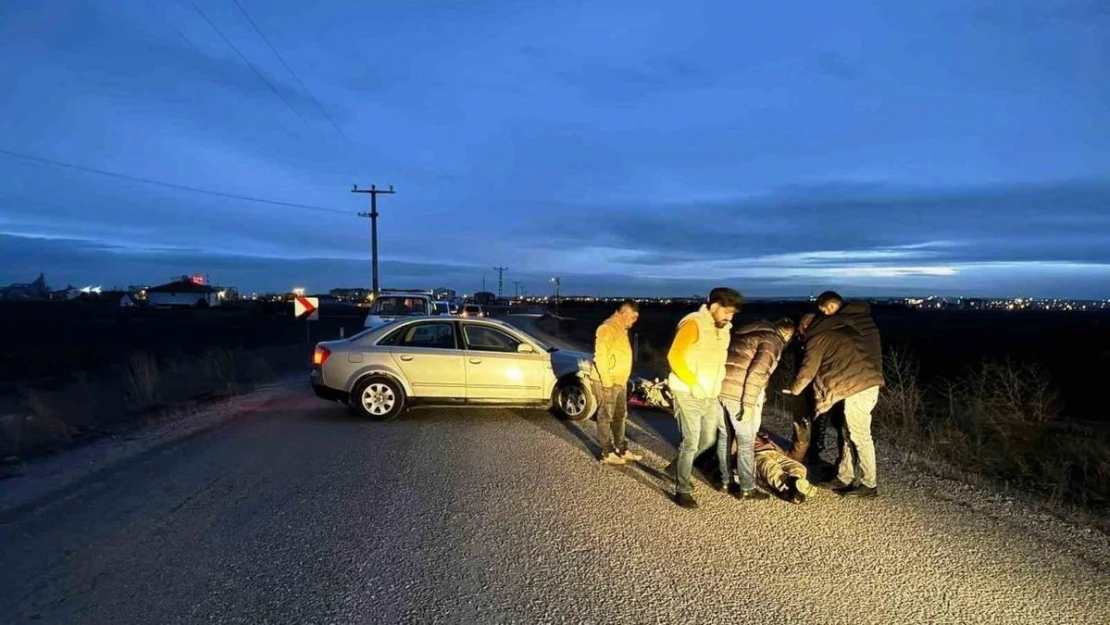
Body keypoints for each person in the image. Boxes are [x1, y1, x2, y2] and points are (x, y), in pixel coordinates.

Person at [785, 292, 885, 498]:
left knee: (860, 436)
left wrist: (794, 390)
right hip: (864, 384)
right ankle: (844, 475)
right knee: (848, 433)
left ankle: (869, 483)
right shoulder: (845, 328)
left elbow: (807, 371)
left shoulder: (818, 338)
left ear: (805, 329)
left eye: (801, 333)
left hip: (858, 388)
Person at [665, 287, 743, 509]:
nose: (730, 317)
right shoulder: (693, 323)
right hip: (687, 391)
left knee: (707, 440)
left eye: (733, 313)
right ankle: (682, 489)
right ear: (715, 306)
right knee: (690, 442)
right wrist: (693, 383)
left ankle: (677, 467)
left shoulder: (724, 329)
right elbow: (674, 356)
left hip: (710, 394)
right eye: (727, 311)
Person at [718, 317, 795, 500]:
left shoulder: (745, 333)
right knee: (746, 441)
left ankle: (725, 481)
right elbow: (756, 374)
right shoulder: (773, 341)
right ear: (787, 334)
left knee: (724, 436)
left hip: (719, 388)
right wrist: (748, 404)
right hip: (738, 394)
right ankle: (746, 487)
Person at [593, 300, 641, 465]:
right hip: (609, 382)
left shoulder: (622, 329)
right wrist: (606, 381)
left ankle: (621, 448)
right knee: (606, 416)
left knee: (620, 415)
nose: (635, 320)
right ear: (624, 313)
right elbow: (601, 356)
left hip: (620, 381)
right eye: (633, 317)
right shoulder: (608, 327)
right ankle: (606, 452)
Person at [754, 432, 817, 504]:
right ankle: (786, 484)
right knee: (769, 465)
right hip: (756, 453)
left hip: (772, 450)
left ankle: (797, 480)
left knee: (799, 467)